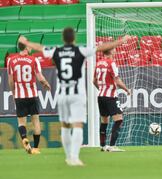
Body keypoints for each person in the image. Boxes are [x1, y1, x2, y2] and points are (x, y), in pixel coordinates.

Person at [18, 28, 131, 166]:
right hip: (77, 94)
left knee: (65, 127)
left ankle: (68, 157)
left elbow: (40, 48)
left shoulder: (56, 51)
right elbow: (103, 47)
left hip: (63, 94)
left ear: (63, 38)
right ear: (74, 38)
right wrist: (122, 41)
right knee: (77, 125)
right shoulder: (80, 50)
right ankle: (74, 157)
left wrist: (26, 42)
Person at [7, 41, 51, 154]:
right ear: (26, 47)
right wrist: (46, 83)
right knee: (35, 121)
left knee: (21, 122)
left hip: (19, 96)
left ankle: (24, 138)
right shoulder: (33, 60)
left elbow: (11, 81)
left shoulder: (11, 61)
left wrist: (13, 93)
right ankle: (35, 148)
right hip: (32, 95)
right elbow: (40, 77)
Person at [93, 48, 131, 152]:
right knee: (119, 120)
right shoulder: (111, 63)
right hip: (110, 96)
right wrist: (126, 89)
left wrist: (101, 89)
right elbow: (117, 80)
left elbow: (94, 81)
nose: (115, 50)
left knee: (104, 121)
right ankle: (112, 146)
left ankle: (102, 146)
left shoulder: (98, 63)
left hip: (100, 96)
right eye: (113, 49)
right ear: (110, 51)